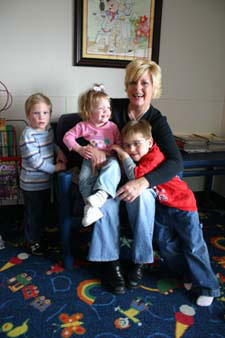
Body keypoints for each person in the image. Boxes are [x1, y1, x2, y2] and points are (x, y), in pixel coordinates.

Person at [81, 59, 183, 295]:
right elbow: (87, 127)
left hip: (140, 178)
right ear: (126, 86)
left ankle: (139, 261)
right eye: (133, 82)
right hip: (110, 175)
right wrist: (91, 147)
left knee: (144, 198)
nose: (138, 88)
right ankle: (110, 262)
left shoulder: (157, 120)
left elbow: (175, 162)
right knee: (104, 200)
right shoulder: (111, 108)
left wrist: (143, 182)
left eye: (145, 83)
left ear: (154, 87)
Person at [112, 119, 220, 306]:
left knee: (193, 245)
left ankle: (208, 287)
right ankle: (187, 274)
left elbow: (136, 176)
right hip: (164, 206)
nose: (132, 149)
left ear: (150, 142)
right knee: (166, 245)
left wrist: (123, 155)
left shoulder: (153, 156)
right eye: (127, 145)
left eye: (137, 143)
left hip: (183, 207)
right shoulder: (143, 156)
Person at [63, 84, 121, 227]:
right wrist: (80, 149)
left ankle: (101, 195)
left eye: (108, 108)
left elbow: (120, 143)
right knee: (84, 178)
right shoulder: (84, 125)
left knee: (113, 166)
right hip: (89, 159)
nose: (106, 111)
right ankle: (90, 208)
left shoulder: (112, 127)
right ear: (89, 111)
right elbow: (67, 137)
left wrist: (114, 150)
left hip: (109, 159)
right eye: (101, 108)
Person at [20, 93, 66, 256]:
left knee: (44, 210)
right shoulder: (28, 135)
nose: (41, 117)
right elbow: (35, 161)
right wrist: (55, 168)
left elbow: (51, 145)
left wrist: (59, 151)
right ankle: (32, 241)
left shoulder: (48, 129)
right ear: (28, 115)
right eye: (36, 113)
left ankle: (39, 235)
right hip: (32, 184)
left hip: (45, 182)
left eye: (45, 113)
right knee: (34, 213)